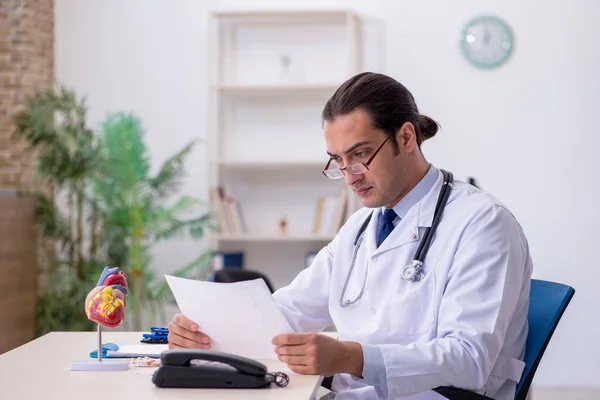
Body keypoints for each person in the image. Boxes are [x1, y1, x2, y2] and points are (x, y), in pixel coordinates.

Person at [167, 72, 533, 400]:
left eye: (359, 154)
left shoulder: (482, 223)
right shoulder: (360, 227)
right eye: (338, 160)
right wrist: (205, 331)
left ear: (406, 137)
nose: (349, 175)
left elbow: (470, 359)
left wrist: (350, 357)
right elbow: (288, 311)